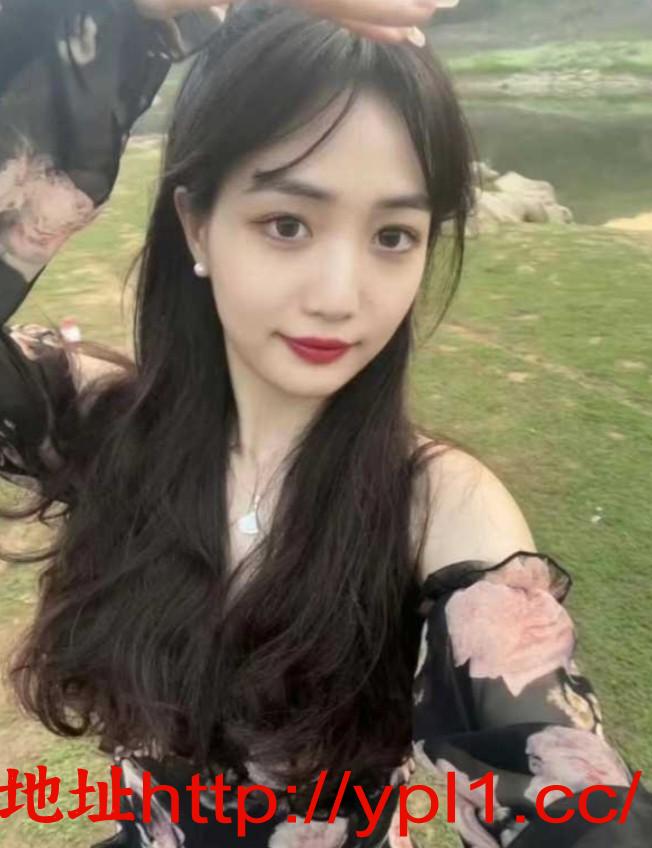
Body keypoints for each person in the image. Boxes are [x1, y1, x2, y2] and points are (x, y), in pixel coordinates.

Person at [0, 1, 650, 846]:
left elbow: (566, 796)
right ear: (197, 223)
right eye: (288, 224)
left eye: (393, 235)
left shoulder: (440, 510)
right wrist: (120, 22)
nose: (341, 297)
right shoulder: (98, 423)